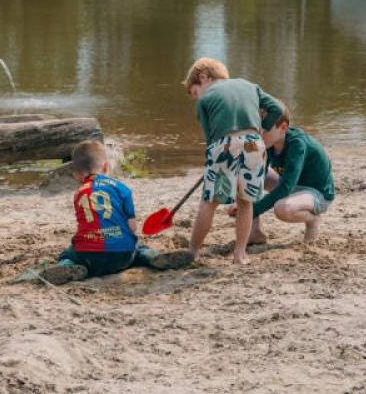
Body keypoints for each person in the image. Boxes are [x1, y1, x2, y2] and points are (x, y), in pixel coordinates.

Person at [41, 140, 192, 285]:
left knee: (68, 253)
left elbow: (85, 223)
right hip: (122, 258)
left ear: (77, 174)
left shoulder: (79, 193)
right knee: (138, 248)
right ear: (106, 166)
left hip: (89, 258)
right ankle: (152, 257)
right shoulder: (122, 188)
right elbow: (132, 227)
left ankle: (67, 264)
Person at [183, 57, 283, 265]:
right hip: (254, 144)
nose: (197, 97)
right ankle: (240, 254)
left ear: (203, 77)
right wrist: (260, 128)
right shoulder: (250, 86)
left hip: (224, 144)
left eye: (195, 92)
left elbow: (211, 138)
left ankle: (192, 252)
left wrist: (213, 160)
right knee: (246, 201)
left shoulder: (204, 100)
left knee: (209, 202)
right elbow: (277, 109)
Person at [230, 104, 334, 245]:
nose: (259, 135)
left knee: (282, 209)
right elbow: (257, 172)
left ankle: (312, 219)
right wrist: (243, 204)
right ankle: (255, 233)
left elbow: (285, 188)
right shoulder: (269, 142)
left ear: (283, 127)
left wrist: (252, 210)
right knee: (245, 174)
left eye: (264, 131)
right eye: (257, 130)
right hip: (292, 184)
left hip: (317, 193)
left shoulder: (297, 144)